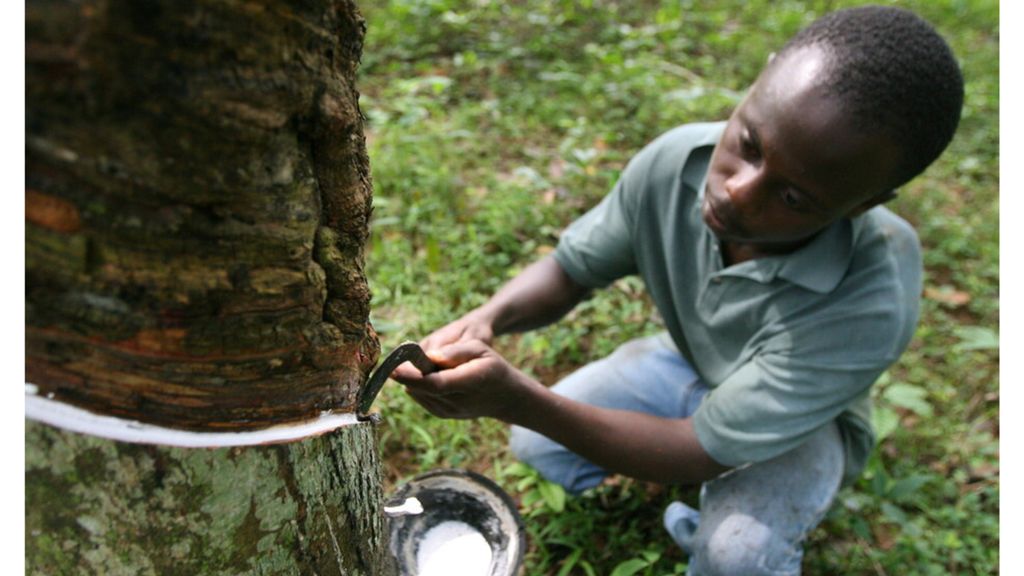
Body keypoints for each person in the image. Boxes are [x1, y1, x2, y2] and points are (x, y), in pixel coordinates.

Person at [392, 5, 963, 575]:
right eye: (750, 144)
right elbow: (570, 270)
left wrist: (517, 398)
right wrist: (488, 318)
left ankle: (732, 515)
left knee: (736, 556)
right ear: (759, 82)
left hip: (802, 426)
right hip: (695, 363)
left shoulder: (871, 301)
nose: (737, 193)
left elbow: (694, 451)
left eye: (792, 199)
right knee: (538, 444)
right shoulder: (678, 162)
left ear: (864, 204)